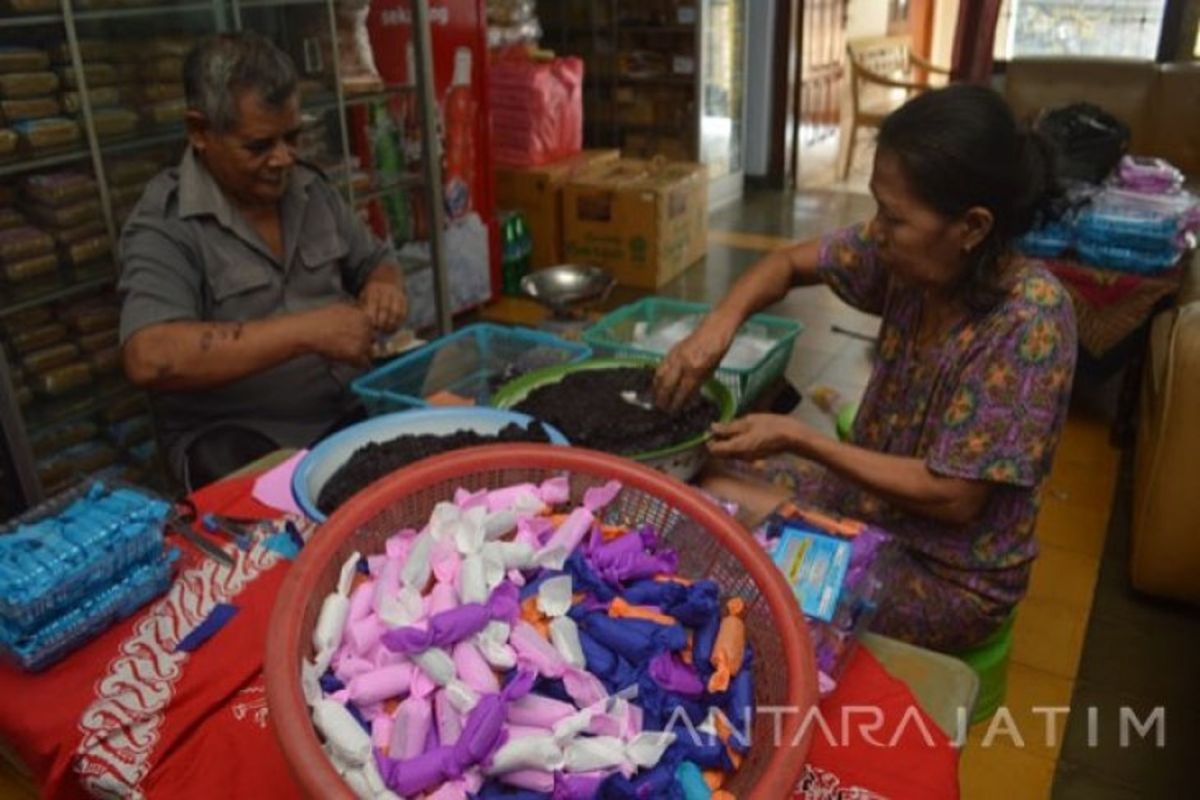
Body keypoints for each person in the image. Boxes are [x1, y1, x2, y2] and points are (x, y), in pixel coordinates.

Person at [653, 85, 1078, 652]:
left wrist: (802, 438)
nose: (875, 231)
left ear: (972, 228)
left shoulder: (1029, 323)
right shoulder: (912, 259)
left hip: (946, 574)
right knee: (694, 485)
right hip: (865, 503)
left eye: (893, 217)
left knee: (722, 549)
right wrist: (716, 327)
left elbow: (954, 495)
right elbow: (784, 264)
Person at [118, 33, 407, 490]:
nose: (282, 159)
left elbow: (376, 260)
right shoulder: (166, 224)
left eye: (291, 138)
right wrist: (309, 333)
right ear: (199, 131)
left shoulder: (311, 191)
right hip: (244, 439)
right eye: (258, 146)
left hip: (344, 412)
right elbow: (150, 356)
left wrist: (383, 285)